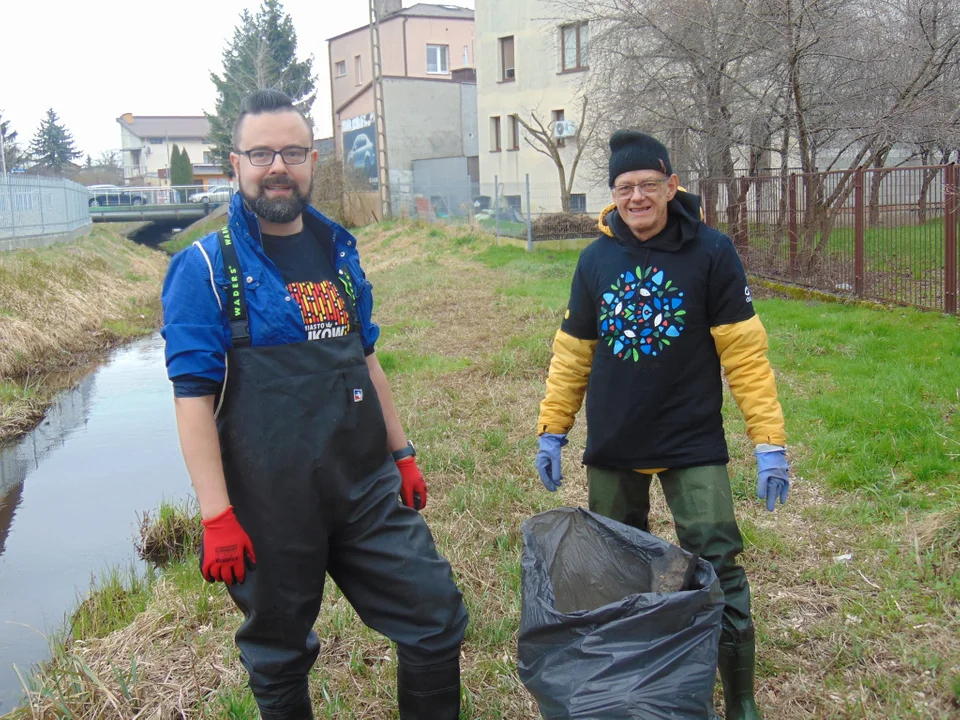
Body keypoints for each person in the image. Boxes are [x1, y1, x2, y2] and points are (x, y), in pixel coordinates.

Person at [161, 89, 467, 720]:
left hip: (362, 487)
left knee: (436, 615)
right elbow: (193, 398)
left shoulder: (338, 254)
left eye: (293, 152)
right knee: (278, 655)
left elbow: (366, 359)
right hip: (268, 505)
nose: (279, 166)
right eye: (262, 153)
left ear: (313, 160)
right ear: (236, 162)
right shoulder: (206, 268)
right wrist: (217, 516)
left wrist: (402, 452)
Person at [534, 130, 788, 720]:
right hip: (616, 444)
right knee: (614, 573)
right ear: (613, 195)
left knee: (718, 563)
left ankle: (741, 699)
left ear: (672, 186)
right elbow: (573, 353)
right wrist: (553, 429)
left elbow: (745, 356)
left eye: (649, 185)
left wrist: (768, 442)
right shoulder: (595, 259)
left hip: (691, 441)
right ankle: (630, 689)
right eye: (625, 188)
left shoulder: (712, 253)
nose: (637, 198)